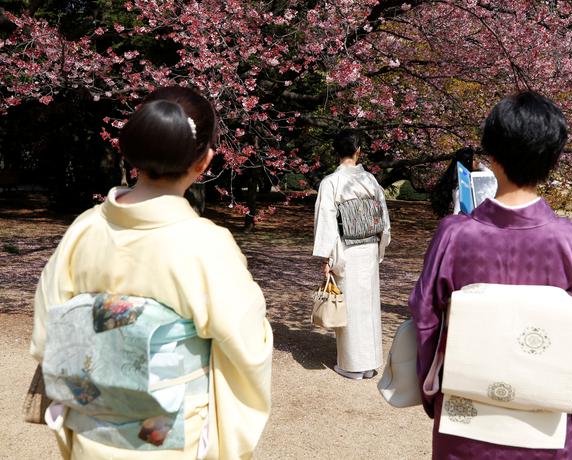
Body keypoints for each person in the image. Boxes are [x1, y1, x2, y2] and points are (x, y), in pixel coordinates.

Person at [30, 86, 273, 459]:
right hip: (169, 440)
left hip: (91, 435)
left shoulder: (85, 228)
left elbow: (49, 331)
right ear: (203, 162)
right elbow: (246, 348)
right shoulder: (206, 245)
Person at [409, 91, 572, 459]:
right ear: (553, 159)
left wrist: (433, 388)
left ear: (491, 156)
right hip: (542, 417)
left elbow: (425, 318)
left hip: (465, 420)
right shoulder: (571, 241)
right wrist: (561, 385)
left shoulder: (455, 235)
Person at [313, 130, 391, 380]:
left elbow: (325, 221)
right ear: (359, 151)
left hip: (346, 247)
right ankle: (370, 363)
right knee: (367, 305)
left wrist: (327, 258)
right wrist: (380, 243)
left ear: (337, 151)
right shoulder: (370, 180)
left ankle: (352, 365)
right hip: (368, 247)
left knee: (351, 306)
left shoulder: (330, 183)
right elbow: (383, 219)